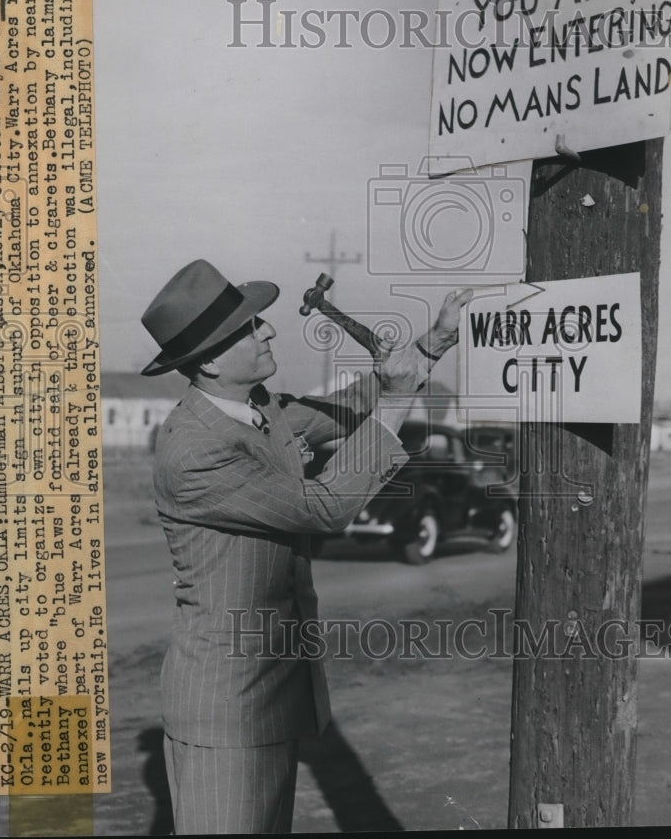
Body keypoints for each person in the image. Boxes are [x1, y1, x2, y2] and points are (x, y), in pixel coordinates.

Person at [141, 259, 470, 834]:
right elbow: (325, 506)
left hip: (270, 696)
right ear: (211, 361)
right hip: (225, 709)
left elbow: (346, 408)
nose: (269, 329)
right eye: (251, 327)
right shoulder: (195, 450)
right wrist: (397, 401)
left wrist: (429, 347)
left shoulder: (257, 409)